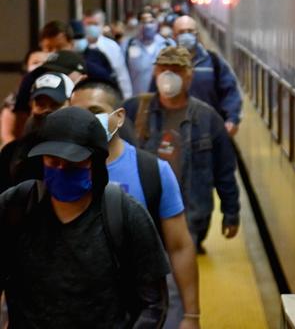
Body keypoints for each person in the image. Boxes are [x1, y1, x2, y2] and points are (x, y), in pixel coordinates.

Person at [0, 107, 170, 327]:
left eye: (73, 163)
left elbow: (154, 304)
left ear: (94, 162)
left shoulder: (125, 215)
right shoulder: (16, 207)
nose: (61, 169)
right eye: (53, 161)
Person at [71, 79, 201, 329]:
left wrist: (191, 315)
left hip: (140, 309)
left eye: (95, 112)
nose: (86, 121)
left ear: (119, 117)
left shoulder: (152, 171)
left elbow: (179, 246)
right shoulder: (60, 170)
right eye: (77, 114)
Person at [123, 46, 240, 252]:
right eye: (163, 70)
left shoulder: (208, 119)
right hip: (141, 216)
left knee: (177, 277)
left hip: (188, 218)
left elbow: (224, 170)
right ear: (155, 73)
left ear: (189, 76)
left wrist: (231, 213)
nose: (169, 76)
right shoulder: (134, 110)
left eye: (176, 70)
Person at [0, 72, 74, 193]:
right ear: (31, 105)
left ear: (71, 104)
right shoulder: (12, 152)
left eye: (55, 104)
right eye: (40, 104)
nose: (47, 110)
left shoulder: (83, 150)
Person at [171, 16, 242, 136]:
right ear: (174, 36)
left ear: (197, 34)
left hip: (209, 131)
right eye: (181, 32)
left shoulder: (213, 62)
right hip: (175, 131)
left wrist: (232, 119)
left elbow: (230, 91)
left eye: (190, 31)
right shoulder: (166, 66)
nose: (186, 35)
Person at [1, 49, 48, 146]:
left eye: (44, 62)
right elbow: (7, 135)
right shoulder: (14, 99)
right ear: (26, 66)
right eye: (35, 62)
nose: (40, 65)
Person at [83, 9, 134, 99]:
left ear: (102, 25)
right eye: (88, 24)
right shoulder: (78, 46)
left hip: (106, 93)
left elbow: (121, 74)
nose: (91, 27)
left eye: (95, 24)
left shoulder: (111, 47)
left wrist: (127, 98)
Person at [124, 11, 175, 95]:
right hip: (137, 97)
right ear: (139, 25)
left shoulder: (167, 45)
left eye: (151, 22)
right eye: (144, 22)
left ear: (156, 23)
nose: (148, 26)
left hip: (162, 98)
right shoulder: (128, 45)